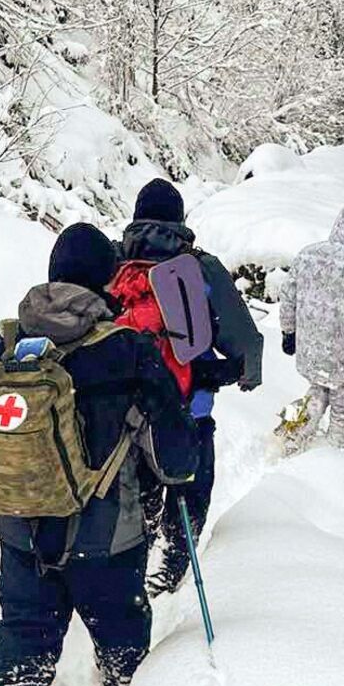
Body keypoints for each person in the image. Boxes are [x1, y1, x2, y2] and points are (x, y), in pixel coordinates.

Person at [0, 223, 199, 686]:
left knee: (25, 628)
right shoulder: (127, 348)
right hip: (108, 535)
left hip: (20, 529)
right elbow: (174, 455)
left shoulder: (1, 343)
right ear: (106, 278)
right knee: (119, 628)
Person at [115, 178, 264, 598]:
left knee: (137, 491)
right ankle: (174, 566)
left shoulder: (115, 263)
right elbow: (244, 341)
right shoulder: (199, 268)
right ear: (180, 220)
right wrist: (244, 374)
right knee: (191, 489)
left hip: (126, 414)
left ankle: (134, 558)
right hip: (188, 409)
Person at [277, 198, 344, 450]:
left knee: (316, 391)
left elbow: (289, 296)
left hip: (311, 349)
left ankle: (288, 432)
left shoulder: (308, 255)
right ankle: (335, 453)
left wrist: (288, 332)